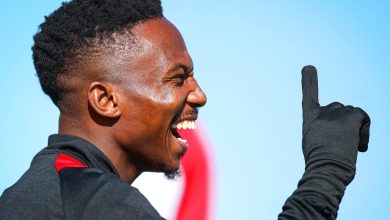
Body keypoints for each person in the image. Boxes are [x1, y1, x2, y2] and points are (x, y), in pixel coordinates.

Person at [0, 0, 370, 219]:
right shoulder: (94, 201)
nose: (200, 96)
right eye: (178, 79)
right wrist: (327, 172)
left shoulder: (43, 191)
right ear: (106, 100)